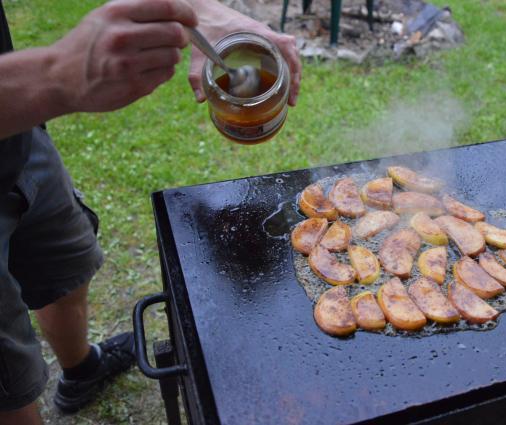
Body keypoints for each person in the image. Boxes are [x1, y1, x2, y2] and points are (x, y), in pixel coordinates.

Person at [0, 0, 301, 423]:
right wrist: (51, 75)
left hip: (18, 140)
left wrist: (199, 11)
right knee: (8, 381)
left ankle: (81, 368)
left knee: (63, 266)